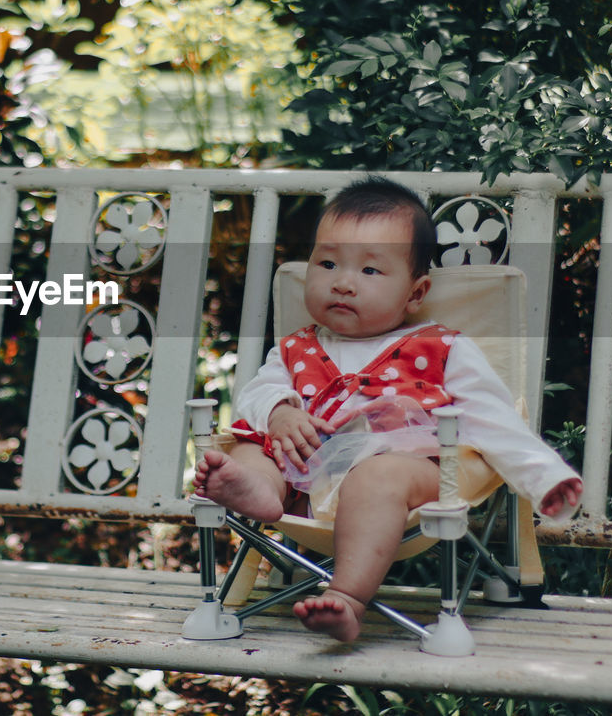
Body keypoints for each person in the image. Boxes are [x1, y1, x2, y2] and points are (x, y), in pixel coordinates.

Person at [194, 175, 583, 643]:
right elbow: (257, 393)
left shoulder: (440, 348)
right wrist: (280, 412)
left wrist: (544, 477)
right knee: (252, 448)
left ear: (416, 293)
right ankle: (258, 493)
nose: (342, 282)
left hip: (402, 470)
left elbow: (493, 417)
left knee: (377, 476)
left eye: (370, 271)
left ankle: (348, 599)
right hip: (305, 475)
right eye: (328, 262)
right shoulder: (296, 347)